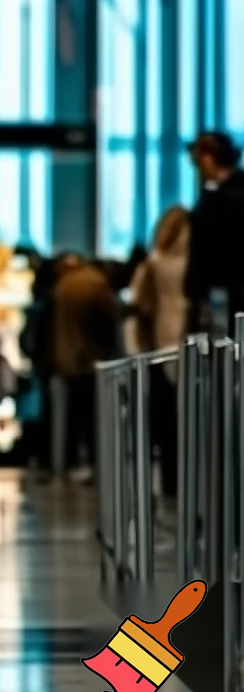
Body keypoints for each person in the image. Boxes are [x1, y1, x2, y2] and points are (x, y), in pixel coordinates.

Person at [125, 205, 189, 498]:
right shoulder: (197, 263)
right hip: (195, 341)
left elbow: (138, 308)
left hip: (162, 344)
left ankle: (171, 484)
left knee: (167, 423)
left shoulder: (153, 264)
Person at [50, 255, 120, 480]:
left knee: (71, 414)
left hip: (67, 357)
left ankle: (69, 462)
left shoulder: (61, 287)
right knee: (92, 415)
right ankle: (93, 461)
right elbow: (107, 321)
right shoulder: (95, 284)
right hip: (91, 357)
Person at [185, 132, 244, 333]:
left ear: (209, 159)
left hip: (223, 290)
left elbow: (206, 248)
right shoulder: (219, 194)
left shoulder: (221, 199)